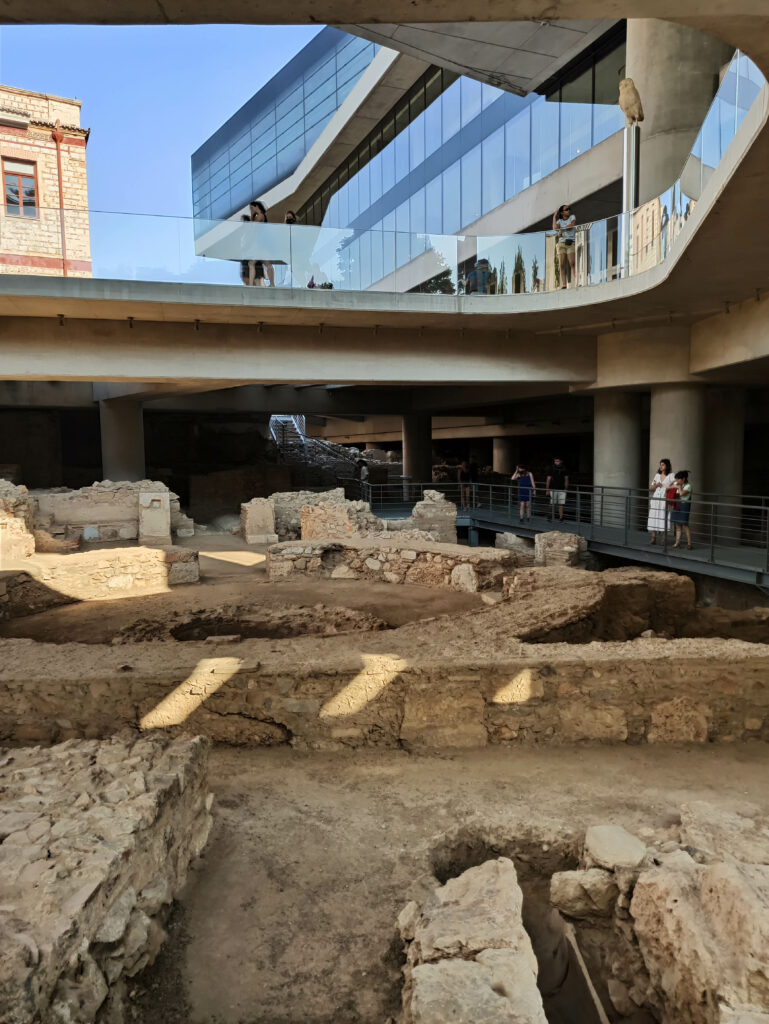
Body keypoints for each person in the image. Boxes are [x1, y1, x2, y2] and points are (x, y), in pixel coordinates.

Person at [647, 458, 675, 545]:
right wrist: (656, 486)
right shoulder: (657, 475)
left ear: (667, 466)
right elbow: (651, 488)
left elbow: (675, 487)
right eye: (660, 465)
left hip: (664, 499)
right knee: (653, 516)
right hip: (656, 498)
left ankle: (663, 539)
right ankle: (653, 538)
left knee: (663, 517)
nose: (661, 466)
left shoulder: (671, 475)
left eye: (663, 465)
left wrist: (667, 489)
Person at [249, 200, 274, 287]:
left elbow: (252, 226)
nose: (251, 210)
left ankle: (252, 284)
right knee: (266, 263)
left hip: (261, 243)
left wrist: (252, 215)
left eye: (252, 208)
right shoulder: (261, 216)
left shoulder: (260, 216)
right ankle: (271, 283)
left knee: (252, 263)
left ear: (256, 207)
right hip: (261, 243)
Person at [553, 204, 576, 289]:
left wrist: (562, 229)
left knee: (572, 263)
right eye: (566, 209)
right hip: (561, 243)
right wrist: (554, 216)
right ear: (562, 212)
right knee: (562, 265)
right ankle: (564, 284)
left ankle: (577, 281)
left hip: (570, 242)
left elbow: (572, 225)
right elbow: (555, 228)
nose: (568, 210)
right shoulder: (559, 221)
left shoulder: (572, 217)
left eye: (569, 209)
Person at [671, 470, 693, 550]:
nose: (677, 481)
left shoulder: (688, 486)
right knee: (677, 526)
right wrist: (674, 481)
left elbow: (681, 494)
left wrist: (679, 486)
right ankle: (677, 543)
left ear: (683, 479)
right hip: (677, 506)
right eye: (676, 479)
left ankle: (689, 544)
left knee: (685, 525)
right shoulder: (678, 484)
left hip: (684, 507)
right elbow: (668, 486)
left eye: (678, 479)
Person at [546, 457, 569, 521]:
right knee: (552, 503)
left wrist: (566, 489)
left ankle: (561, 518)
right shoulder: (551, 468)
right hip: (553, 488)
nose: (556, 462)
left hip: (562, 489)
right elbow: (548, 479)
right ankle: (549, 516)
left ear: (561, 461)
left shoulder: (564, 468)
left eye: (557, 461)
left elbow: (566, 479)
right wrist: (547, 490)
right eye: (555, 461)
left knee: (561, 504)